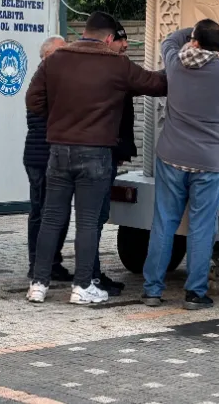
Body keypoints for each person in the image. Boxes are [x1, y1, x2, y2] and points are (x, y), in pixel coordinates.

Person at [25, 12, 167, 305]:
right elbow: (156, 85)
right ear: (109, 38)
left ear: (85, 32)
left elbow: (33, 100)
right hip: (96, 152)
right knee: (88, 222)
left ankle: (38, 284)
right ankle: (82, 286)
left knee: (51, 218)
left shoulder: (55, 59)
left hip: (58, 150)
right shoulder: (116, 64)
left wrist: (59, 120)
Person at [142, 19, 219, 310]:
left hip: (171, 157)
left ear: (194, 41)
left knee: (164, 223)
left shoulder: (174, 64)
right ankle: (195, 294)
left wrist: (190, 31)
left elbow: (169, 41)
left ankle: (152, 291)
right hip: (209, 163)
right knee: (201, 227)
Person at [91, 23, 138, 296]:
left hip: (105, 150)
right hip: (100, 151)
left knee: (95, 217)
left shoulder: (103, 66)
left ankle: (91, 274)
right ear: (109, 39)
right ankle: (90, 276)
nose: (126, 46)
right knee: (94, 218)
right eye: (122, 41)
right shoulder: (109, 68)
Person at [23, 35, 72, 283]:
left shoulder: (56, 79)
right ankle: (38, 264)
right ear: (47, 56)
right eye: (61, 52)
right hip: (41, 156)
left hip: (53, 154)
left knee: (58, 213)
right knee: (42, 213)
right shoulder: (43, 80)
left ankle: (52, 262)